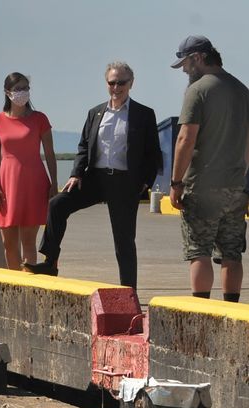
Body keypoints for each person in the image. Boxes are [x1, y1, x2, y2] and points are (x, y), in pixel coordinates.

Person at [23, 62, 161, 287]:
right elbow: (84, 146)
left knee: (124, 240)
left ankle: (128, 290)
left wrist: (145, 182)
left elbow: (153, 153)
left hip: (125, 181)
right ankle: (50, 262)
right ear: (106, 83)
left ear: (131, 84)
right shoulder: (96, 112)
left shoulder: (143, 114)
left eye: (121, 83)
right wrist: (76, 174)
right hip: (95, 178)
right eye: (112, 83)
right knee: (58, 204)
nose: (116, 87)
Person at [168, 35, 249, 303]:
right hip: (237, 186)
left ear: (198, 58)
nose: (183, 70)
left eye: (185, 63)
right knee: (232, 253)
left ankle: (201, 309)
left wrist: (176, 182)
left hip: (202, 186)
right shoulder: (242, 90)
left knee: (198, 251)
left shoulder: (198, 91)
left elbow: (185, 139)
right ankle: (231, 311)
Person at [0, 72, 58, 270]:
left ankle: (28, 282)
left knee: (28, 241)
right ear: (7, 92)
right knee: (8, 243)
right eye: (18, 89)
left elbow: (50, 154)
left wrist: (55, 183)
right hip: (7, 182)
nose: (22, 93)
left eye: (26, 88)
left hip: (33, 181)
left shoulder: (39, 119)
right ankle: (13, 282)